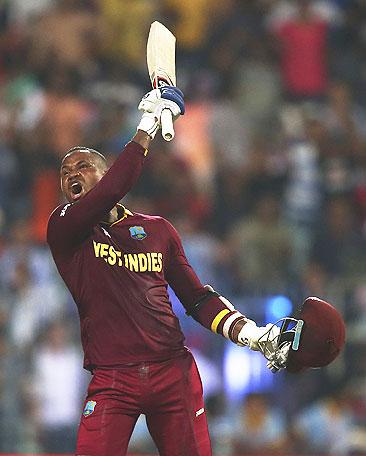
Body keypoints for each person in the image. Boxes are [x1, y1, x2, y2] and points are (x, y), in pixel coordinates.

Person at [46, 87, 276, 455]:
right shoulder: (64, 226)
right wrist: (146, 127)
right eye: (65, 171)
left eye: (83, 166)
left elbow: (197, 298)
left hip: (172, 370)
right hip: (112, 377)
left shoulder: (157, 229)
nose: (72, 173)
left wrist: (249, 333)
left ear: (106, 175)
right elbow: (111, 191)